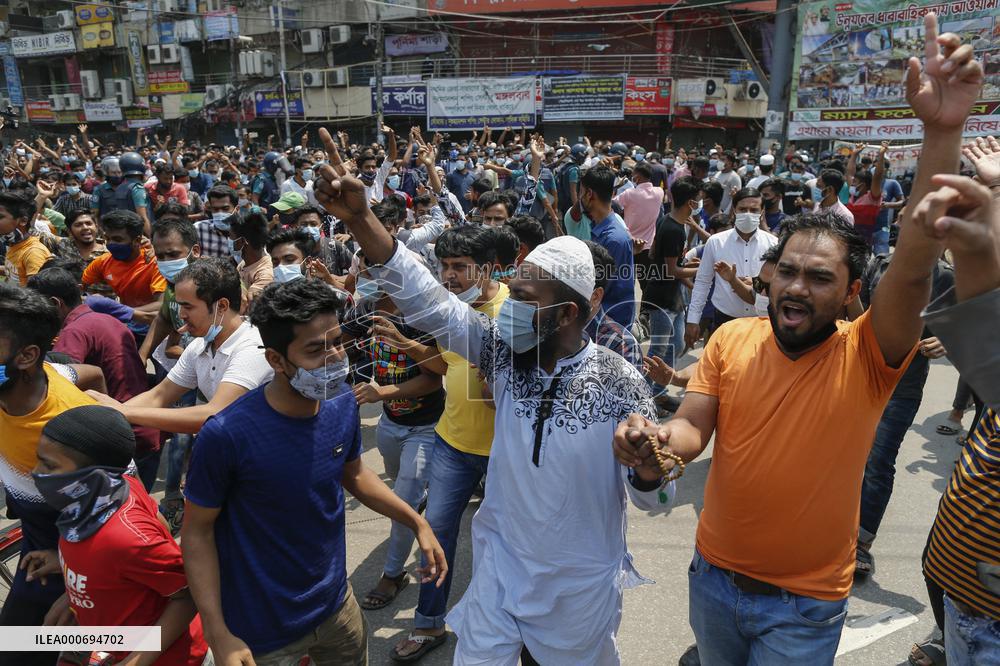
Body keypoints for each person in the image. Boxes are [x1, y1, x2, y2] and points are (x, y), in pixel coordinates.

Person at [614, 19, 982, 663]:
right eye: (787, 271)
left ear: (850, 293)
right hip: (712, 579)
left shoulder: (868, 354)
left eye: (819, 278)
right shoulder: (732, 341)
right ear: (769, 275)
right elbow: (693, 427)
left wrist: (942, 132)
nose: (797, 287)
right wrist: (654, 444)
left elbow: (915, 261)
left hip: (805, 605)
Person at [181, 277, 446, 665]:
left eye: (337, 341)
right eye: (315, 349)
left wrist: (417, 523)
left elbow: (354, 474)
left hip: (337, 608)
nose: (335, 357)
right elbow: (196, 533)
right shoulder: (226, 435)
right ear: (276, 360)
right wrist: (217, 631)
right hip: (261, 630)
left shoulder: (342, 402)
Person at [25, 405, 210, 665]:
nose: (35, 471)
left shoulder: (125, 536)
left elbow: (188, 594)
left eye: (49, 464)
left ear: (93, 475)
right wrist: (72, 569)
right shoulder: (101, 496)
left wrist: (135, 662)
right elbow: (159, 526)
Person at [0, 284, 96, 666]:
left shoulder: (72, 424)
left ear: (26, 356)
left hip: (72, 567)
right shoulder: (49, 372)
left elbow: (133, 513)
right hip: (35, 549)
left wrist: (76, 580)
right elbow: (91, 373)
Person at [341, 280, 446, 612]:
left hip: (426, 426)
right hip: (390, 423)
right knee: (398, 482)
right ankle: (419, 496)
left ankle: (392, 574)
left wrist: (381, 392)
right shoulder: (364, 309)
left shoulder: (423, 316)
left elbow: (434, 376)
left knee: (403, 500)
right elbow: (340, 343)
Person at [88, 258, 273, 435]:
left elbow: (216, 412)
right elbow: (159, 396)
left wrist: (124, 412)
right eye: (179, 306)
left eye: (188, 307)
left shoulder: (252, 347)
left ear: (222, 306)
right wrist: (106, 415)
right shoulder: (199, 346)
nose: (181, 314)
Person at [854, 253, 953, 578]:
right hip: (860, 376)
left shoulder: (947, 277)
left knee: (879, 461)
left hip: (903, 387)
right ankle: (832, 528)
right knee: (845, 455)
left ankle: (861, 542)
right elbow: (856, 315)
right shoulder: (879, 264)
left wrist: (947, 340)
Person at [27, 267, 162, 489]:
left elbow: (59, 387)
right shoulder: (106, 319)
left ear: (54, 303)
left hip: (120, 438)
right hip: (144, 427)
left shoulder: (74, 332)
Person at [685, 187, 779, 346]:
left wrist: (754, 282)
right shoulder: (716, 242)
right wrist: (693, 319)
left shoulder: (773, 244)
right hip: (725, 321)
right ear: (734, 210)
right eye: (743, 209)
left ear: (762, 212)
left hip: (761, 323)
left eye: (754, 210)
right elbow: (702, 282)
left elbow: (776, 284)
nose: (748, 214)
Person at [583, 165, 636, 330]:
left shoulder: (614, 239)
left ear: (589, 194)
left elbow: (601, 285)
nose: (579, 197)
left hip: (609, 324)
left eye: (581, 192)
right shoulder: (600, 228)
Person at [615, 162, 664, 284]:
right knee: (646, 284)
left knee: (626, 282)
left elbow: (612, 205)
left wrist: (616, 186)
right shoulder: (659, 192)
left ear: (637, 177)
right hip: (648, 246)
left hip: (629, 244)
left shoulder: (629, 193)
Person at [0, 188, 52, 285]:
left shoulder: (33, 253)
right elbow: (14, 271)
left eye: (0, 217)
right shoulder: (13, 243)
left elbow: (35, 292)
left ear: (23, 221)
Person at [92, 153, 151, 235]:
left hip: (127, 229)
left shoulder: (123, 187)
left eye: (119, 172)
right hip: (111, 229)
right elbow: (95, 213)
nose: (117, 175)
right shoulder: (99, 190)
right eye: (113, 173)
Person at [846, 142, 887, 247]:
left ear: (863, 185)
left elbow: (877, 177)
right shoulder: (853, 195)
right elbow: (849, 173)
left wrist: (881, 155)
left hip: (864, 240)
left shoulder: (872, 197)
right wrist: (854, 154)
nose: (851, 183)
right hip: (848, 236)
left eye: (854, 181)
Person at [229, 209, 274, 303]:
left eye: (231, 238)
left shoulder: (265, 274)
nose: (229, 241)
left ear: (243, 241)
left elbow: (247, 305)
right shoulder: (244, 263)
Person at [195, 185, 238, 258]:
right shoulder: (198, 229)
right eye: (215, 209)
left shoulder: (247, 231)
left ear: (237, 209)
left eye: (225, 208)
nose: (220, 213)